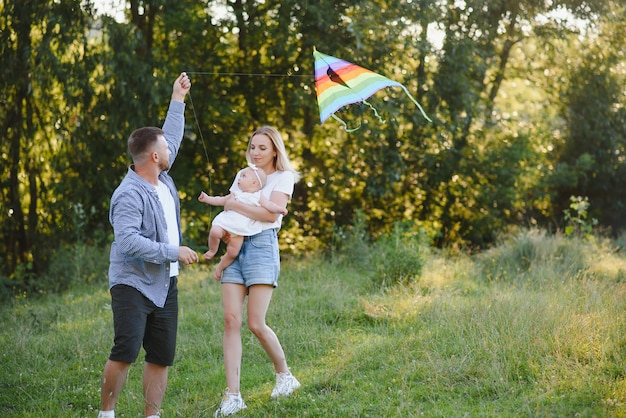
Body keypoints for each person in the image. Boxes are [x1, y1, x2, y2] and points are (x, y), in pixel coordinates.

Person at [97, 72, 199, 418]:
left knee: (161, 355)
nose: (171, 149)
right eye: (166, 149)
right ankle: (106, 413)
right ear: (154, 157)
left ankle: (151, 416)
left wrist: (178, 98)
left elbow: (170, 135)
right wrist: (174, 251)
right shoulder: (128, 194)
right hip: (132, 282)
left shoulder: (163, 177)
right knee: (125, 350)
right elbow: (127, 241)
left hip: (165, 282)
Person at [213, 126, 301, 417]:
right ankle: (233, 396)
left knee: (255, 322)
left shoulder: (283, 177)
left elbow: (270, 213)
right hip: (235, 244)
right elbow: (228, 208)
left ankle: (284, 375)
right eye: (252, 147)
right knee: (230, 320)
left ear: (275, 150)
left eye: (262, 147)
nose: (256, 152)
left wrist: (235, 203)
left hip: (262, 247)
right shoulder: (244, 174)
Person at [198, 165, 288, 281]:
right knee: (215, 232)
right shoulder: (235, 193)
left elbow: (269, 205)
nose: (239, 179)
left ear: (254, 183)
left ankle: (220, 268)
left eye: (243, 176)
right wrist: (207, 199)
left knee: (233, 252)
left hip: (240, 230)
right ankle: (212, 250)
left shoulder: (258, 196)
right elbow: (220, 200)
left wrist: (279, 210)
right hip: (226, 223)